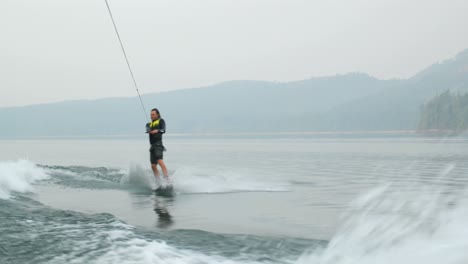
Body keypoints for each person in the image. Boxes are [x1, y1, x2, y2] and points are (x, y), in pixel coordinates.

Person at [146, 108, 169, 186]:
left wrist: (157, 131)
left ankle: (167, 179)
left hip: (158, 144)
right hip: (152, 146)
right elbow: (148, 129)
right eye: (151, 115)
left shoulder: (161, 121)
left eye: (153, 115)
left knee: (159, 160)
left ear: (157, 115)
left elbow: (163, 130)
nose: (151, 116)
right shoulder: (148, 124)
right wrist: (150, 131)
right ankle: (158, 181)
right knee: (153, 165)